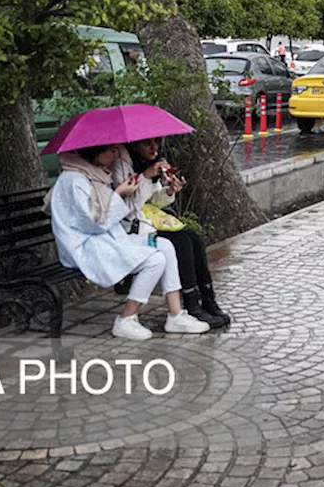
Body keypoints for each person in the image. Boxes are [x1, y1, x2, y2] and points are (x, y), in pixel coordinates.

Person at [46, 144, 210, 340]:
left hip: (105, 238)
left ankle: (175, 315)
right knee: (154, 260)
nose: (117, 154)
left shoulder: (95, 174)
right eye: (111, 151)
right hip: (84, 246)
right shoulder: (74, 181)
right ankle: (127, 318)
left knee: (166, 246)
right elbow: (92, 224)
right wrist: (118, 194)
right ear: (94, 153)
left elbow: (104, 216)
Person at [112, 138, 231, 329]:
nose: (154, 148)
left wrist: (169, 191)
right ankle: (191, 303)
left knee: (194, 239)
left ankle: (208, 298)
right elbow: (130, 207)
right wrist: (145, 177)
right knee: (181, 241)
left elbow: (153, 201)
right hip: (131, 228)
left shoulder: (148, 164)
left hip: (147, 221)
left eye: (156, 142)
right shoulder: (123, 165)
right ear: (135, 145)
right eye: (147, 144)